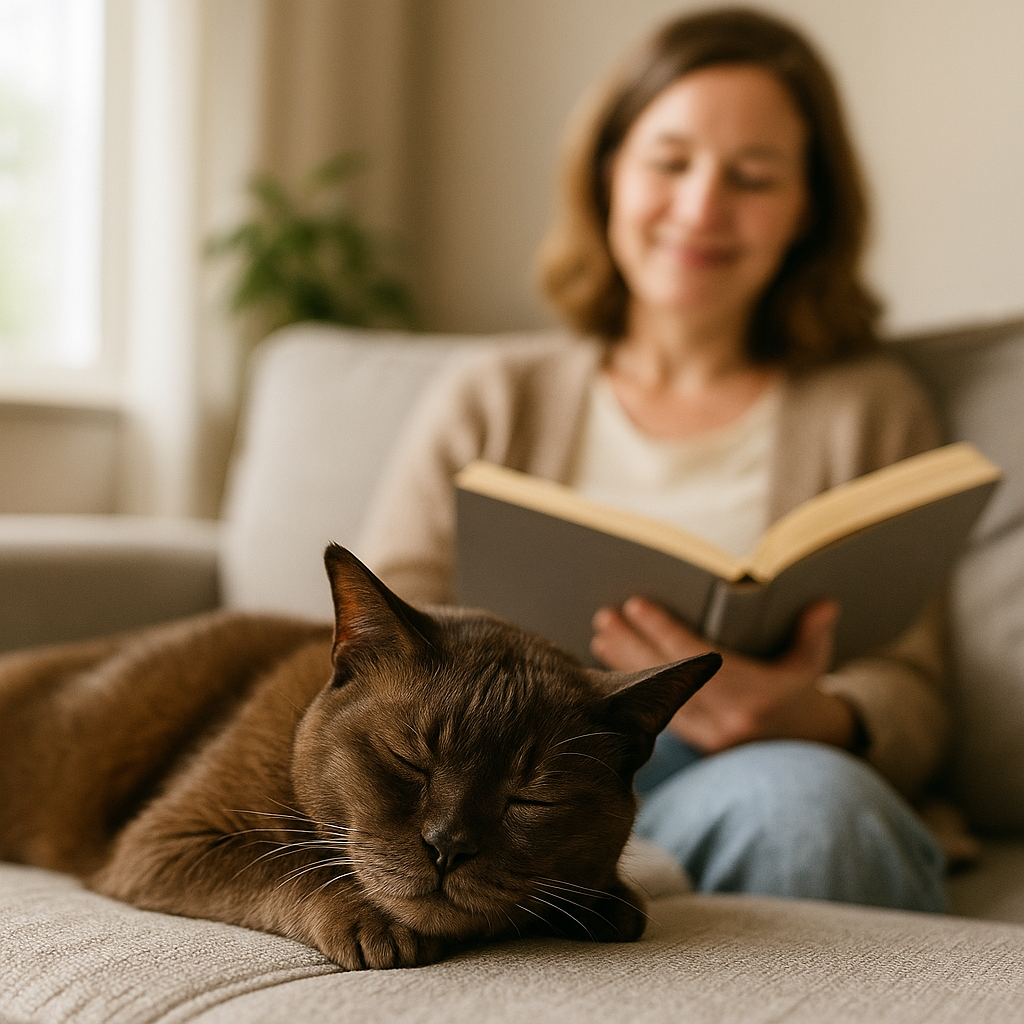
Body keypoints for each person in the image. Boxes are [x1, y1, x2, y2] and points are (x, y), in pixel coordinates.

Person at [357, 7, 949, 912]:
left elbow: (915, 689)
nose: (702, 207)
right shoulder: (492, 393)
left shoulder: (869, 406)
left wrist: (814, 714)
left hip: (753, 777)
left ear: (809, 208)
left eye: (752, 176)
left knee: (810, 810)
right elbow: (377, 632)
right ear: (607, 176)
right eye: (669, 163)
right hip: (499, 799)